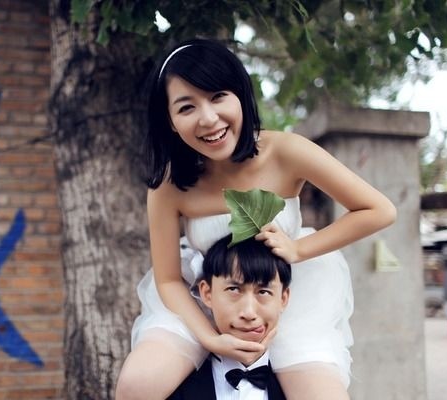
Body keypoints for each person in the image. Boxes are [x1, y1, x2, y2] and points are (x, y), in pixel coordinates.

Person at [115, 38, 396, 400]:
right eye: (187, 107)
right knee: (136, 387)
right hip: (206, 298)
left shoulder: (286, 151)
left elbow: (379, 210)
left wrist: (298, 249)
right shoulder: (169, 186)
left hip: (281, 296)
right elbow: (168, 279)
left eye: (218, 96)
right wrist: (210, 337)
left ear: (241, 95)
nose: (208, 118)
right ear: (170, 121)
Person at [168, 234, 289, 400]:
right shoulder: (170, 386)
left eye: (263, 292)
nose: (249, 313)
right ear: (207, 293)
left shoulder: (305, 387)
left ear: (283, 299)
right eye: (234, 290)